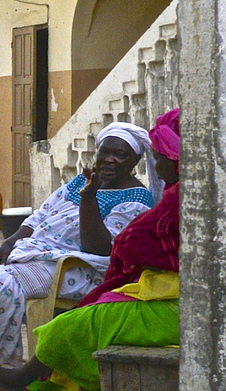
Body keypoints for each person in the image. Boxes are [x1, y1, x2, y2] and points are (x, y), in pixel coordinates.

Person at [0, 108, 181, 391]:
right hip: (31, 256)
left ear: (134, 161)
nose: (109, 159)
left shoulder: (135, 199)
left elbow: (98, 249)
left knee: (2, 286)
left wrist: (90, 197)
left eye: (119, 154)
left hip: (73, 267)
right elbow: (38, 217)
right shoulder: (75, 182)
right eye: (104, 152)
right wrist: (9, 243)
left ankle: (12, 372)